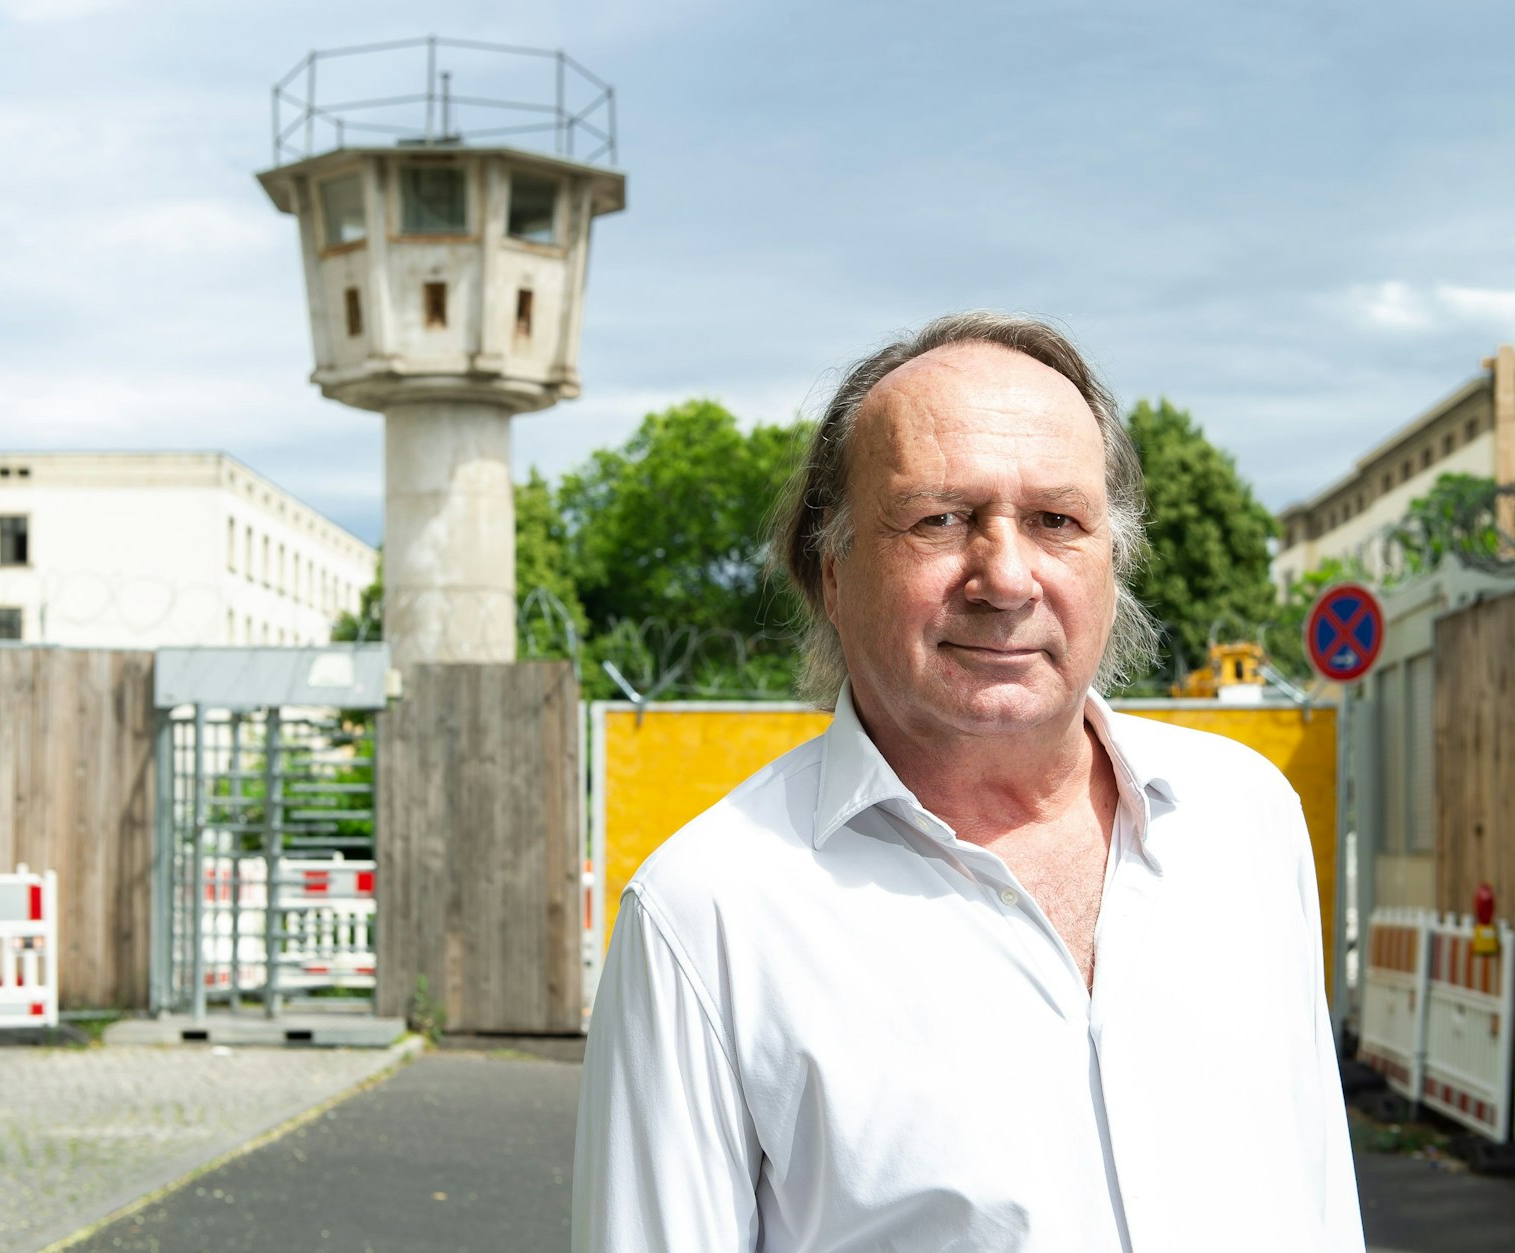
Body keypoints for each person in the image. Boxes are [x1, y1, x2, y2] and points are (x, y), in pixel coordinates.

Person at [572, 312, 1363, 1251]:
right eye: (942, 518)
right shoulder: (709, 918)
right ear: (832, 573)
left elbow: (1320, 1204)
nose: (1007, 577)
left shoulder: (1245, 820)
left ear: (1115, 562)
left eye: (1056, 521)